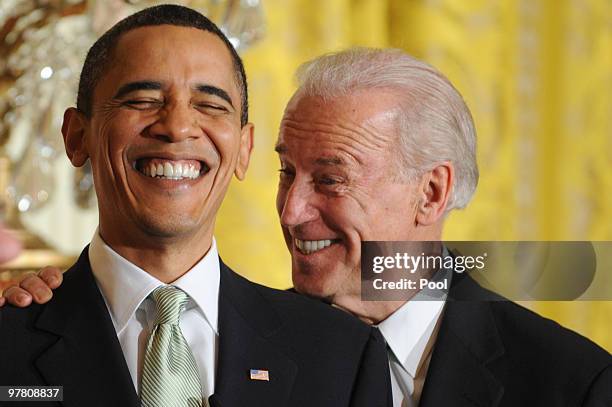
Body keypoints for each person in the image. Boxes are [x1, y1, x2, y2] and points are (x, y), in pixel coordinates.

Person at [6, 47, 611, 405]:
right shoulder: (231, 334)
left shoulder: (571, 383)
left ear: (431, 192)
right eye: (285, 172)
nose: (291, 212)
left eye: (330, 179)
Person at [0, 7, 391, 407]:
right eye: (142, 99)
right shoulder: (8, 339)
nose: (177, 126)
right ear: (77, 137)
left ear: (244, 149)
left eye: (210, 105)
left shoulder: (340, 353)